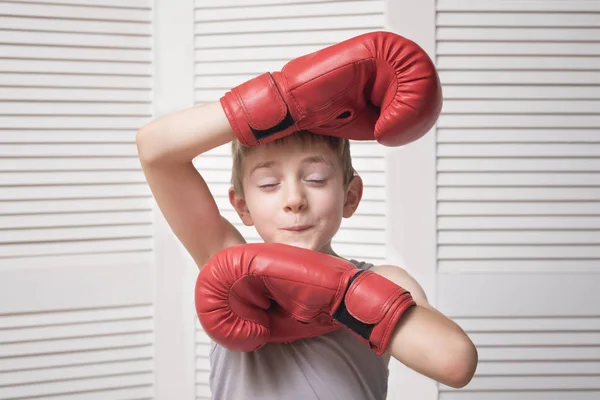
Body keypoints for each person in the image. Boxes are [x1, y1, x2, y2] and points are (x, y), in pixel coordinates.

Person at [137, 31, 478, 399]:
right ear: (242, 206)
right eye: (269, 183)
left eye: (315, 179)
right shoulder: (228, 270)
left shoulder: (383, 280)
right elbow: (154, 149)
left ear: (351, 197)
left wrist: (339, 295)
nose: (294, 198)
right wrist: (283, 99)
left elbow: (455, 363)